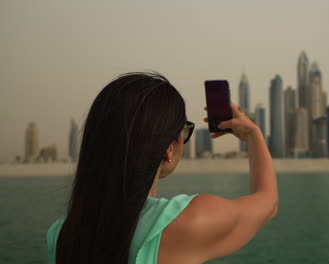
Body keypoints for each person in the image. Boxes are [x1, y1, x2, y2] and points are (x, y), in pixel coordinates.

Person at [46, 72, 278, 264]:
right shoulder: (187, 221)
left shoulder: (60, 235)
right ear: (168, 148)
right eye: (184, 131)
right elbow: (268, 202)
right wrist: (254, 135)